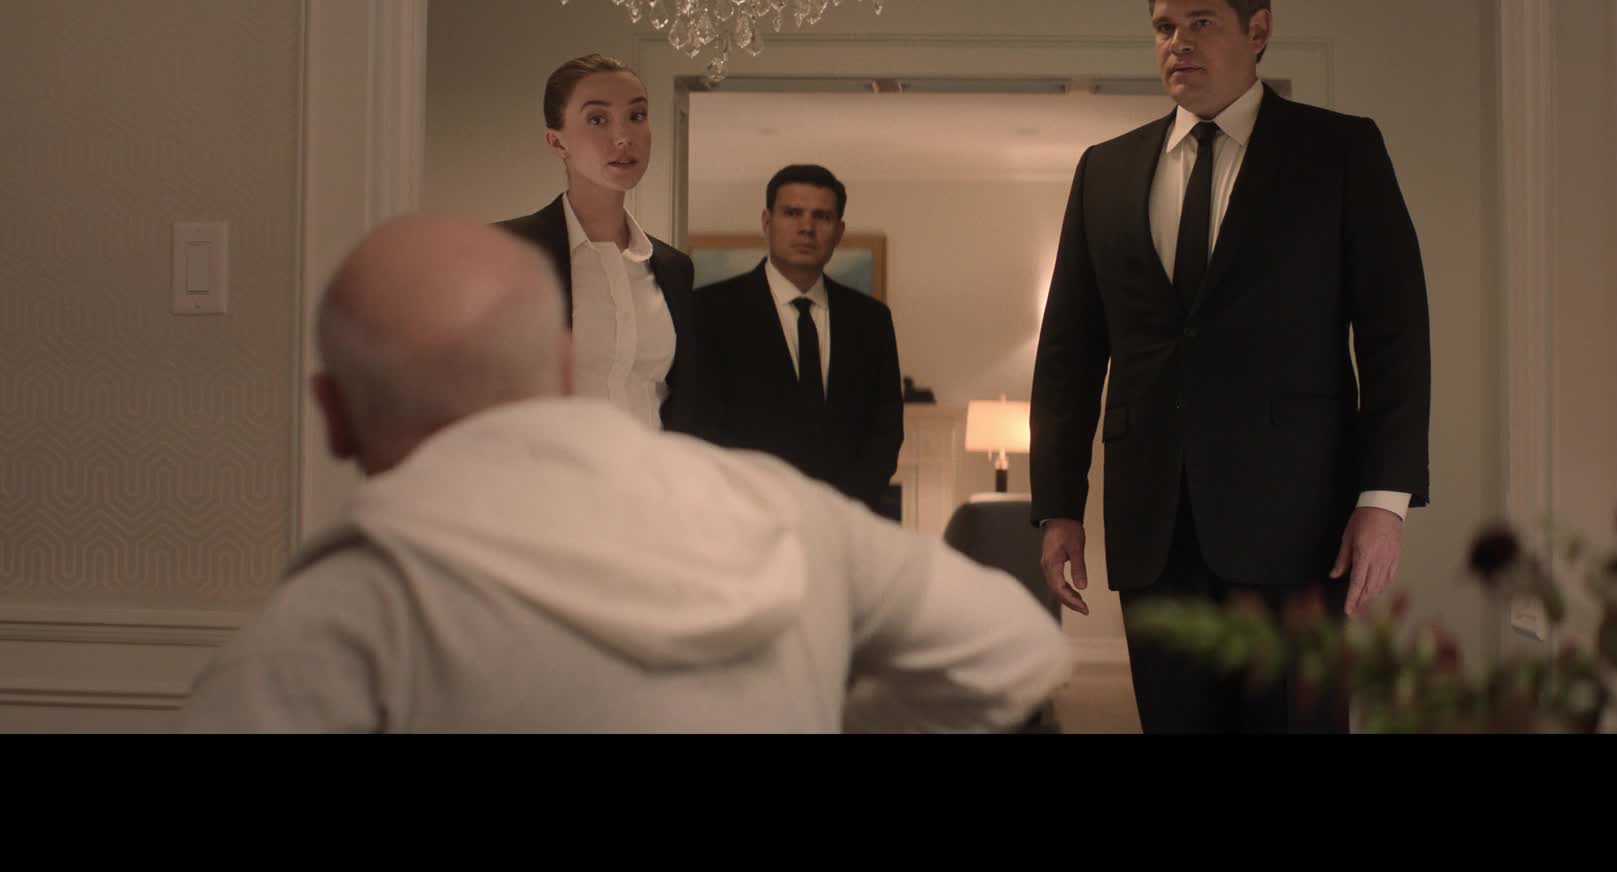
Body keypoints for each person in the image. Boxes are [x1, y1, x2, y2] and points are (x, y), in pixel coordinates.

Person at [177, 215, 1070, 733]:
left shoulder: (346, 612)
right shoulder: (782, 513)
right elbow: (1019, 651)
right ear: (567, 364)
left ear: (332, 413)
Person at [1028, 0, 1431, 733]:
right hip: (1153, 528)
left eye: (1201, 22)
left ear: (1259, 29)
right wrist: (1058, 508)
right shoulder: (1104, 171)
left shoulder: (1340, 152)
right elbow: (1069, 355)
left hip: (1300, 524)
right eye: (1164, 27)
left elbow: (1396, 338)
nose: (1178, 43)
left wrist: (1383, 502)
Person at [496, 53, 699, 432]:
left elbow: (681, 399)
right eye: (597, 119)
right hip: (549, 466)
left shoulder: (673, 268)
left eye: (636, 116)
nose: (623, 137)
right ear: (557, 143)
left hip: (651, 466)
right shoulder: (507, 251)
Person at [692, 165, 904, 516]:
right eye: (792, 213)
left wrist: (842, 512)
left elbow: (885, 432)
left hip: (843, 521)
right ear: (767, 221)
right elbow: (698, 426)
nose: (807, 227)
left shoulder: (871, 320)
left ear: (838, 231)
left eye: (822, 216)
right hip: (744, 518)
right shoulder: (709, 311)